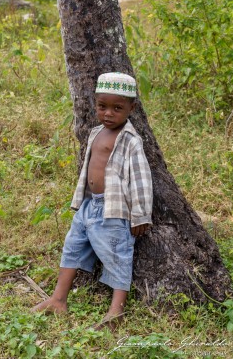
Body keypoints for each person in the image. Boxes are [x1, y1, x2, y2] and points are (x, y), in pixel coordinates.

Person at [32, 72, 153, 329]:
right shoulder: (95, 132)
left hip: (113, 210)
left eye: (117, 108)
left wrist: (141, 215)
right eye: (102, 106)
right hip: (89, 206)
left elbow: (141, 180)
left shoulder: (131, 140)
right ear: (95, 104)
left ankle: (116, 310)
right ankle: (58, 298)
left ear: (132, 108)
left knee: (118, 255)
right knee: (72, 247)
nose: (108, 113)